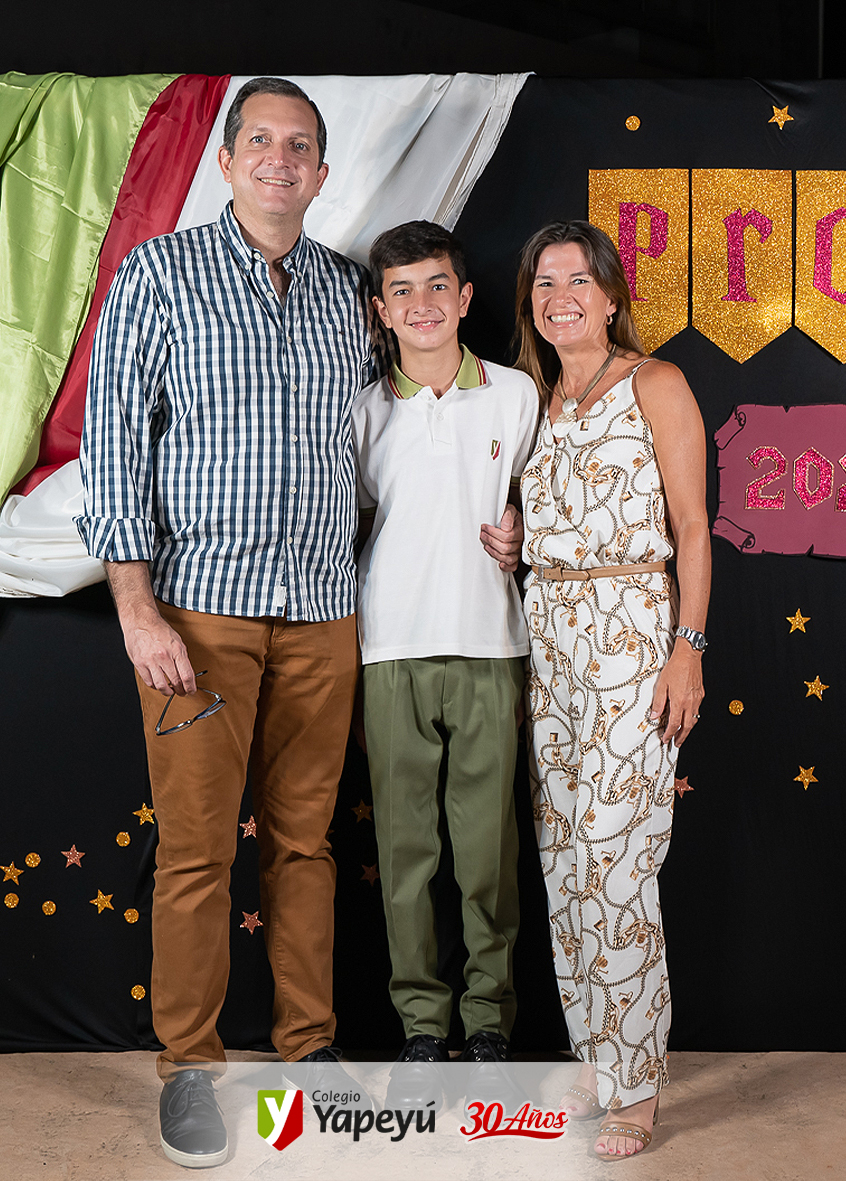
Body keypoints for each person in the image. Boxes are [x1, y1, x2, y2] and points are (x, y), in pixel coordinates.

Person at [77, 77, 379, 1169]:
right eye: (260, 140)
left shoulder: (350, 291)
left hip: (324, 611)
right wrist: (134, 605)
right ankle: (190, 1070)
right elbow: (113, 441)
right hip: (197, 615)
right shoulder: (159, 273)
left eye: (298, 145)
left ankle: (309, 1050)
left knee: (305, 844)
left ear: (321, 172)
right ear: (226, 159)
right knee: (199, 852)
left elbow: (393, 431)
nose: (278, 159)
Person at [513, 221, 710, 1160]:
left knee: (618, 858)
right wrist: (517, 544)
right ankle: (597, 1051)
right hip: (548, 643)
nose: (562, 296)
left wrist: (689, 648)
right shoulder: (536, 398)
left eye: (578, 279)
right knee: (565, 858)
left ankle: (638, 1085)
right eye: (545, 282)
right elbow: (550, 519)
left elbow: (694, 525)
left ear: (611, 293)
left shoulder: (655, 382)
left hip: (632, 635)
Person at [353, 221, 538, 1106]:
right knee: (406, 851)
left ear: (464, 299)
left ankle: (489, 1020)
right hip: (389, 647)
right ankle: (423, 1026)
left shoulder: (514, 395)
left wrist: (525, 530)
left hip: (490, 643)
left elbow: (546, 498)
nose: (420, 304)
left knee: (488, 851)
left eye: (436, 286)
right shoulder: (361, 410)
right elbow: (346, 517)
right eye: (402, 291)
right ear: (380, 310)